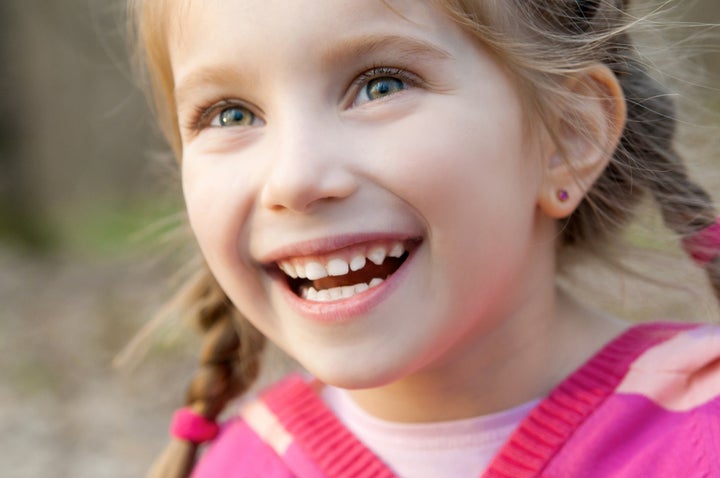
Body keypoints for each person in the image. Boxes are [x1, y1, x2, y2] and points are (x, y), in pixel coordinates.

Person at [127, 0, 720, 476]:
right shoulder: (236, 465)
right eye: (230, 114)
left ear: (566, 136)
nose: (294, 179)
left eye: (381, 85)